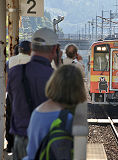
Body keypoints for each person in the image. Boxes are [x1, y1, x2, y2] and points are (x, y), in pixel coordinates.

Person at [7, 28, 60, 160]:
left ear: (32, 47)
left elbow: (12, 103)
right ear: (54, 50)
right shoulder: (55, 78)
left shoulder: (15, 73)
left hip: (21, 141)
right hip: (46, 143)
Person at [23, 64, 87, 160]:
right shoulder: (69, 119)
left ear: (53, 83)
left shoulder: (36, 112)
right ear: (78, 88)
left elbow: (31, 152)